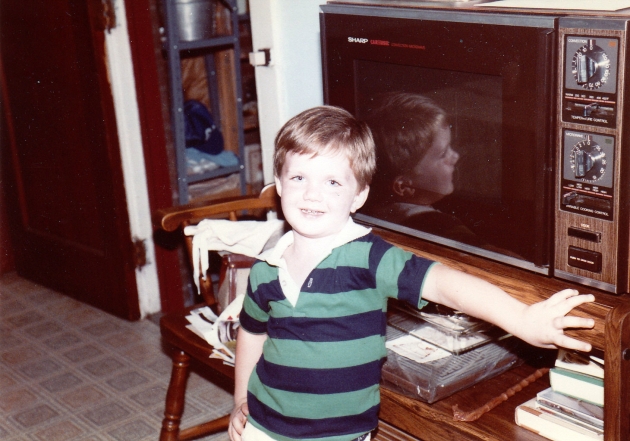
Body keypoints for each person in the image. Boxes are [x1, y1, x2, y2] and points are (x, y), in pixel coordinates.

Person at [228, 105, 595, 441]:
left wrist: (521, 318)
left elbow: (446, 284)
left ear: (358, 196)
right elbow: (252, 332)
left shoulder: (370, 258)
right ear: (279, 185)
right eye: (298, 178)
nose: (312, 194)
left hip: (341, 435)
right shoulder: (266, 269)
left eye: (333, 182)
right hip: (265, 426)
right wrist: (241, 399)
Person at [362, 93, 487, 248]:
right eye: (443, 154)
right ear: (404, 186)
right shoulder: (442, 226)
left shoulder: (374, 211)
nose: (455, 156)